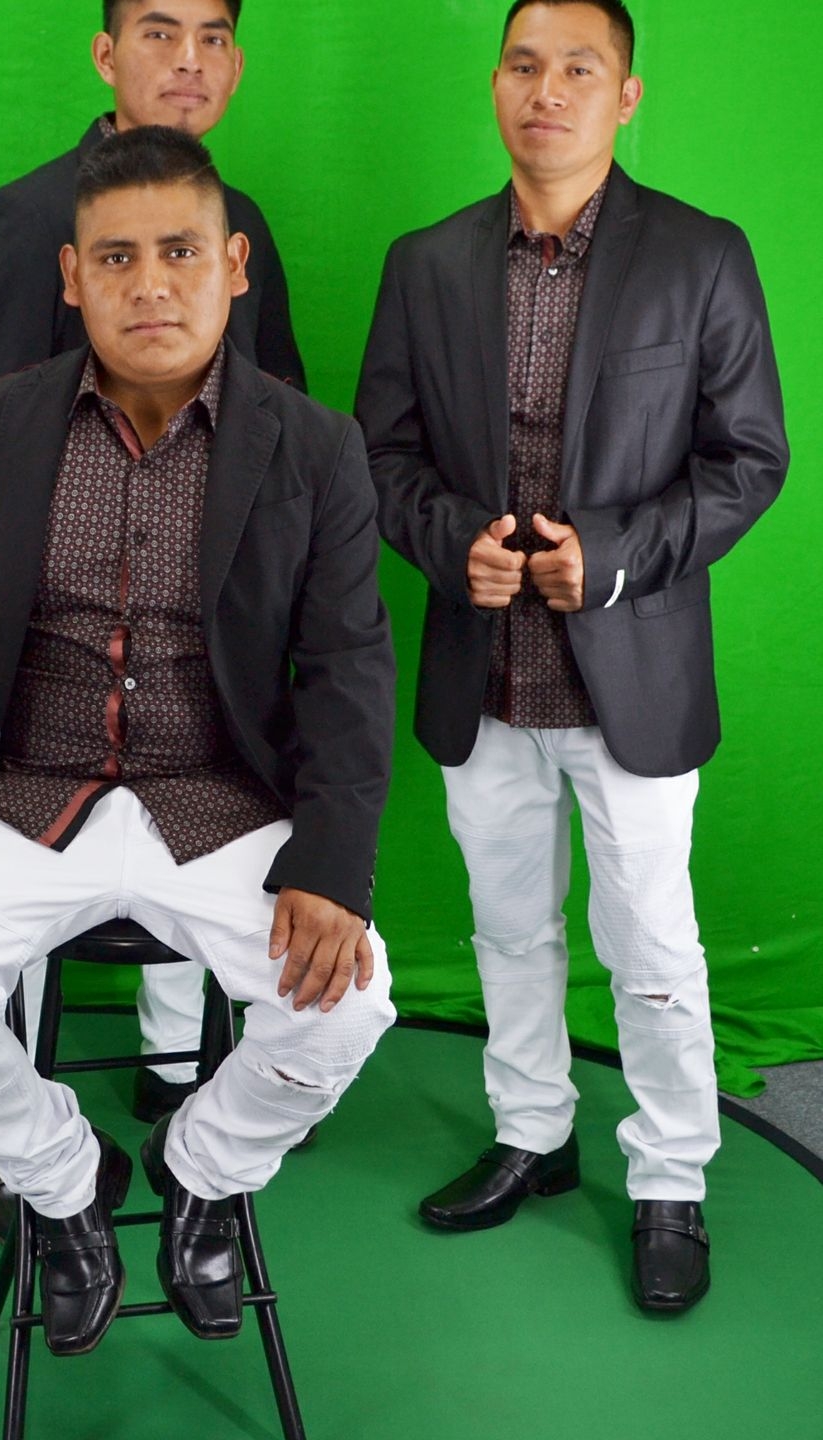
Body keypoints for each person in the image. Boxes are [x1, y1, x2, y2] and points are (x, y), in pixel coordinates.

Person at [0, 126, 395, 1356]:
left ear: (233, 266)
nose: (149, 284)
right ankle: (63, 1182)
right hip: (24, 785)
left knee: (345, 1010)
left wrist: (332, 865)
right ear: (71, 277)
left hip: (221, 792)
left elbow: (349, 671)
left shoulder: (315, 446)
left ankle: (203, 1173)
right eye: (115, 258)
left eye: (178, 252)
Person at [354, 0, 787, 1315]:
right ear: (495, 84)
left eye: (576, 69)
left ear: (624, 94)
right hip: (477, 671)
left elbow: (746, 460)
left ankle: (668, 1177)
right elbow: (378, 454)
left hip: (632, 675)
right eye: (522, 64)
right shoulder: (424, 263)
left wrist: (608, 557)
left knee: (648, 942)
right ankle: (530, 1130)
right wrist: (449, 547)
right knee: (507, 930)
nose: (545, 89)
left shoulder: (700, 256)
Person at [0, 0, 307, 1234]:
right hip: (58, 648)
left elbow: (282, 420)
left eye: (211, 36)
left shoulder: (242, 220)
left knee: (203, 806)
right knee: (27, 841)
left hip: (204, 649)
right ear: (106, 55)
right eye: (159, 33)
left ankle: (177, 1085)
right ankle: (19, 1144)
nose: (187, 61)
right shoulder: (25, 218)